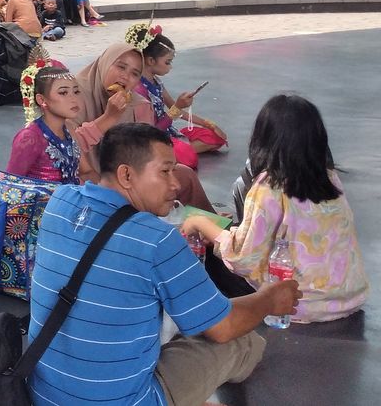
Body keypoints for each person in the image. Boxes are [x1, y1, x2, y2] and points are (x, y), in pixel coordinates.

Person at [28, 122, 301, 406]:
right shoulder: (156, 239)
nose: (176, 183)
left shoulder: (58, 203)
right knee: (241, 342)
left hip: (45, 395)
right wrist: (269, 299)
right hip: (123, 401)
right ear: (126, 175)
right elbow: (224, 327)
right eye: (165, 171)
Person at [183, 94, 368, 323]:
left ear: (263, 138)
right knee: (225, 232)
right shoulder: (330, 178)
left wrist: (200, 224)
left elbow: (244, 257)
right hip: (348, 296)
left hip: (297, 304)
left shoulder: (268, 186)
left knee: (207, 254)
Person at [70, 42, 214, 211]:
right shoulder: (75, 95)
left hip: (132, 177)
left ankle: (214, 229)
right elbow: (71, 150)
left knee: (185, 174)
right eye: (121, 67)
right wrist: (109, 117)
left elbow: (147, 151)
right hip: (90, 182)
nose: (125, 77)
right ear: (105, 63)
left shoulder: (138, 104)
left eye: (134, 74)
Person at [130, 28, 226, 156]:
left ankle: (177, 151)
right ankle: (173, 152)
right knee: (188, 156)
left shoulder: (156, 81)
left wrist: (208, 124)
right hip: (152, 140)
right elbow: (150, 132)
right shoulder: (139, 89)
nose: (170, 67)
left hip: (167, 133)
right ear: (151, 61)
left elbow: (176, 110)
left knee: (215, 137)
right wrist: (177, 107)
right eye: (167, 62)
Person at [7, 63, 83, 183]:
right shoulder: (29, 138)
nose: (73, 99)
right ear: (41, 100)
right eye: (63, 93)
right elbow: (10, 184)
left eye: (76, 92)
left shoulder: (69, 130)